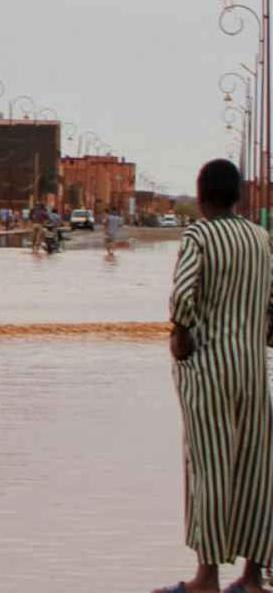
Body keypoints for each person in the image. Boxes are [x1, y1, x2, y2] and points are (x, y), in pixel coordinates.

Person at [154, 159, 273, 593]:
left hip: (208, 370)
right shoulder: (261, 238)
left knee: (210, 466)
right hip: (252, 371)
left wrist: (180, 333)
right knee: (256, 468)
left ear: (202, 198)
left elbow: (184, 296)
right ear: (238, 196)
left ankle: (206, 578)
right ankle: (254, 577)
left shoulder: (199, 235)